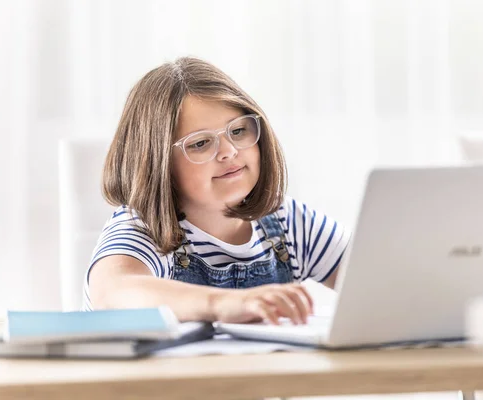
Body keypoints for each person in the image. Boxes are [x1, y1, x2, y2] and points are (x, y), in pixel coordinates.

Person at [85, 57, 350, 325]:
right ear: (157, 162)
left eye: (238, 131)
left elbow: (379, 281)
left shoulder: (286, 221)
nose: (229, 151)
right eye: (200, 143)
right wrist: (223, 303)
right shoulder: (144, 228)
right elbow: (113, 293)